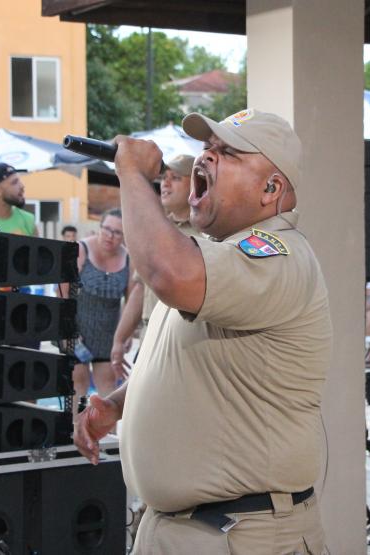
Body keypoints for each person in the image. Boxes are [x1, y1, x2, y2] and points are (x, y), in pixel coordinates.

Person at [75, 109, 331, 554]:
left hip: (241, 534)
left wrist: (132, 175)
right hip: (186, 529)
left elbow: (168, 273)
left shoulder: (279, 256)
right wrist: (117, 406)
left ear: (271, 189)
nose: (205, 158)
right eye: (208, 148)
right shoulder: (219, 256)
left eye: (227, 153)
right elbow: (189, 360)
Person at [110, 154, 199, 373]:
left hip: (186, 344)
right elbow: (141, 288)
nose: (165, 184)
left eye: (175, 178)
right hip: (150, 338)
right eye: (163, 177)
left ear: (196, 184)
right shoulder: (158, 230)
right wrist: (119, 339)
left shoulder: (209, 232)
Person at [71, 208, 134, 408]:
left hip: (108, 334)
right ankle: (76, 426)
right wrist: (68, 331)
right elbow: (62, 293)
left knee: (109, 389)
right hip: (76, 328)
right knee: (77, 384)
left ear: (124, 236)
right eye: (106, 229)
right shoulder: (81, 250)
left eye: (117, 232)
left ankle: (107, 428)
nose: (110, 236)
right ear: (99, 227)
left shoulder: (129, 259)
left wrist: (126, 334)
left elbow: (131, 300)